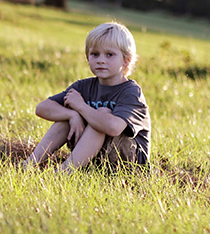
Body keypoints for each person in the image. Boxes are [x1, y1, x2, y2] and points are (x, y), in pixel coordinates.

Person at [22, 22, 151, 173]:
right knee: (66, 117)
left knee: (102, 115)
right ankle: (29, 164)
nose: (101, 60)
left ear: (126, 60)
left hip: (127, 164)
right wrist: (72, 114)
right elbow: (42, 108)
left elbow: (113, 127)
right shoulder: (84, 86)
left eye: (109, 55)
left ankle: (64, 172)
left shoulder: (131, 92)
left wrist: (81, 107)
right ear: (87, 57)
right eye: (95, 54)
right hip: (94, 158)